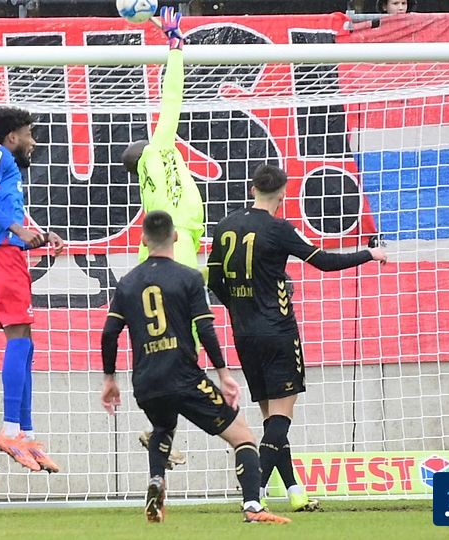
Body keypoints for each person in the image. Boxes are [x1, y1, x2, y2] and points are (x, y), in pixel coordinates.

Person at [207, 164, 387, 512]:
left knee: (272, 420)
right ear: (284, 193)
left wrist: (238, 307)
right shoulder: (279, 229)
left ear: (252, 188)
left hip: (243, 333)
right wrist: (369, 253)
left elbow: (214, 280)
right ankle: (253, 497)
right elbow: (325, 262)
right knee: (280, 420)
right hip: (277, 332)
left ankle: (295, 492)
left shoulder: (226, 225)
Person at [100, 211, 290, 524]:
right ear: (175, 237)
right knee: (243, 436)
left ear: (143, 240)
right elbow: (205, 329)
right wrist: (224, 374)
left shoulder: (127, 283)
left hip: (146, 382)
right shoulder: (188, 278)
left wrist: (109, 379)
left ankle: (156, 480)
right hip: (184, 377)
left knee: (163, 427)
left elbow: (109, 333)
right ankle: (253, 506)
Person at [123, 6, 200, 470]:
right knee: (187, 344)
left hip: (158, 252)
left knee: (163, 343)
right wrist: (175, 44)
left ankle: (160, 431)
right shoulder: (160, 150)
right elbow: (172, 97)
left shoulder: (149, 185)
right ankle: (165, 428)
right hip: (180, 248)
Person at [0, 106, 65, 473]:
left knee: (24, 340)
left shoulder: (6, 166)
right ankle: (10, 430)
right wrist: (19, 229)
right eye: (28, 134)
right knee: (18, 337)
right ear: (12, 137)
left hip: (4, 253)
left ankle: (24, 431)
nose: (32, 142)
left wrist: (37, 236)